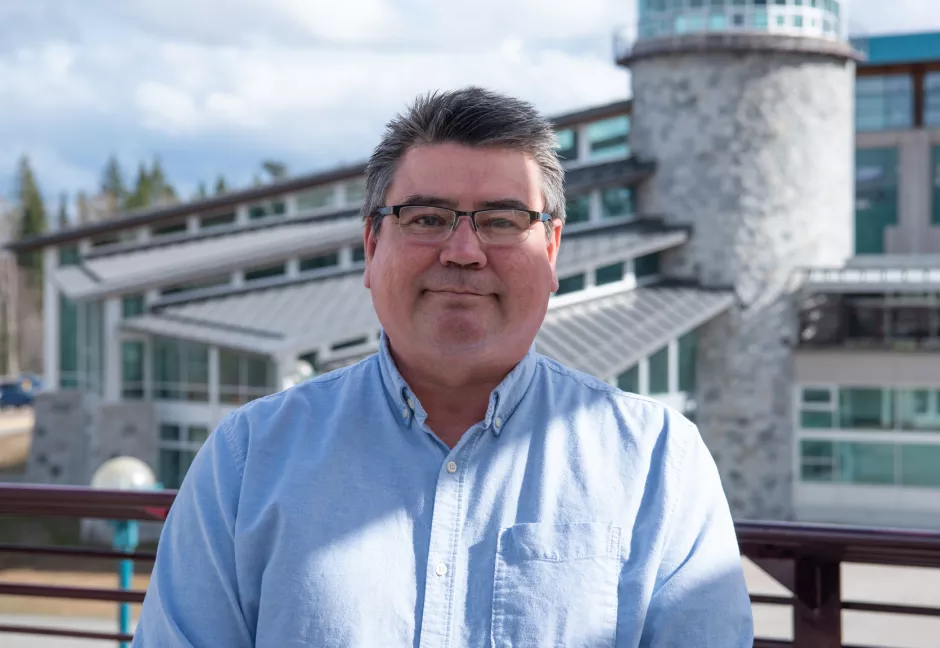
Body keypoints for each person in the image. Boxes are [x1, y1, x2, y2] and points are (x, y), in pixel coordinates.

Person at [132, 86, 754, 647]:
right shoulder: (247, 461)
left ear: (552, 249)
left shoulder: (657, 463)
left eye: (503, 221)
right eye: (426, 218)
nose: (463, 252)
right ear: (372, 247)